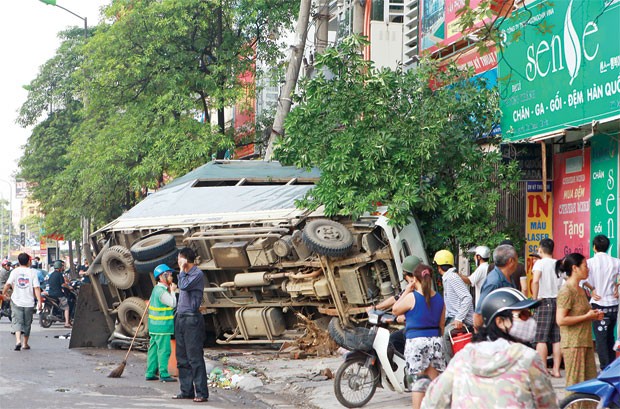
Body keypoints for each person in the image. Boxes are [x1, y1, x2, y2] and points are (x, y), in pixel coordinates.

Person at [421, 288, 558, 409]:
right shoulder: (527, 359)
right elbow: (548, 404)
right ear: (500, 322)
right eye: (523, 315)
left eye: (529, 314)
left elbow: (433, 402)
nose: (530, 320)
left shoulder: (463, 359)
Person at [392, 263, 445, 409]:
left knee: (418, 384)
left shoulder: (412, 297)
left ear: (415, 279)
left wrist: (407, 290)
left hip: (416, 343)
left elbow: (395, 310)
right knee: (434, 385)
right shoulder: (440, 299)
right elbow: (441, 325)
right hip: (436, 341)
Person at [556, 253, 605, 389]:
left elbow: (583, 313)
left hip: (585, 341)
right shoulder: (566, 290)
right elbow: (561, 320)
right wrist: (587, 317)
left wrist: (594, 316)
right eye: (585, 266)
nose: (588, 269)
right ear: (575, 268)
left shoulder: (581, 289)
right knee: (575, 385)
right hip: (573, 343)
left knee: (589, 384)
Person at [173, 247, 209, 403]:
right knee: (182, 357)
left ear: (186, 259)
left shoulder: (197, 274)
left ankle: (201, 393)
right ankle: (186, 390)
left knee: (194, 357)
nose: (178, 261)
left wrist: (181, 270)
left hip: (192, 319)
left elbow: (184, 286)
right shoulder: (184, 274)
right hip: (180, 317)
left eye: (180, 258)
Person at [366, 255, 422, 354]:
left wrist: (403, 317)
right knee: (393, 339)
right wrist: (375, 307)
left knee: (397, 342)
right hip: (413, 327)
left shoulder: (418, 290)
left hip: (419, 331)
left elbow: (396, 309)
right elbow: (396, 299)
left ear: (409, 276)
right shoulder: (412, 288)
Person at [581, 235, 619, 370]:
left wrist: (591, 289)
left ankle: (605, 368)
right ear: (608, 247)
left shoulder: (589, 263)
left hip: (598, 304)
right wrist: (617, 286)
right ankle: (612, 368)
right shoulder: (616, 262)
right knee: (610, 337)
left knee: (601, 339)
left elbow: (580, 280)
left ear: (594, 247)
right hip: (613, 304)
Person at [434, 249, 474, 362]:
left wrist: (459, 318)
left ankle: (451, 366)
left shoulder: (452, 277)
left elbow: (467, 297)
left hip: (464, 319)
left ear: (439, 266)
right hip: (452, 317)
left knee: (446, 335)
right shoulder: (447, 278)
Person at [531, 238, 563, 378]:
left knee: (541, 338)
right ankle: (556, 370)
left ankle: (543, 370)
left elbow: (536, 280)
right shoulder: (559, 264)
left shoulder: (540, 263)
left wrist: (535, 298)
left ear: (540, 249)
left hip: (544, 301)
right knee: (557, 338)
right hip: (558, 301)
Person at [2, 253, 42, 350]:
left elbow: (8, 284)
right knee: (27, 323)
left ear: (19, 261)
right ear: (29, 261)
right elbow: (36, 288)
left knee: (17, 321)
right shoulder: (33, 272)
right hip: (29, 302)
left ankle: (18, 341)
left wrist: (3, 293)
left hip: (16, 301)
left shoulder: (15, 271)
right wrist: (40, 301)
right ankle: (25, 343)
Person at [146, 264, 178, 383]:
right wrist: (173, 291)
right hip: (162, 327)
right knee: (164, 350)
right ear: (161, 276)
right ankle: (164, 374)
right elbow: (173, 303)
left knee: (153, 350)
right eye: (168, 274)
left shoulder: (156, 289)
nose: (171, 276)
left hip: (154, 326)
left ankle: (150, 372)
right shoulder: (162, 292)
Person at [473, 244, 518, 329]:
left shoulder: (509, 277)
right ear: (511, 261)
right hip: (494, 334)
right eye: (517, 259)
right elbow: (478, 315)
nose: (517, 263)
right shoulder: (494, 282)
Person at [47, 260, 73, 328]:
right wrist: (69, 287)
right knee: (66, 307)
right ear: (60, 267)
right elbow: (63, 284)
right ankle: (67, 323)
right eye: (62, 267)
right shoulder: (59, 274)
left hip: (50, 293)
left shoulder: (52, 274)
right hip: (58, 294)